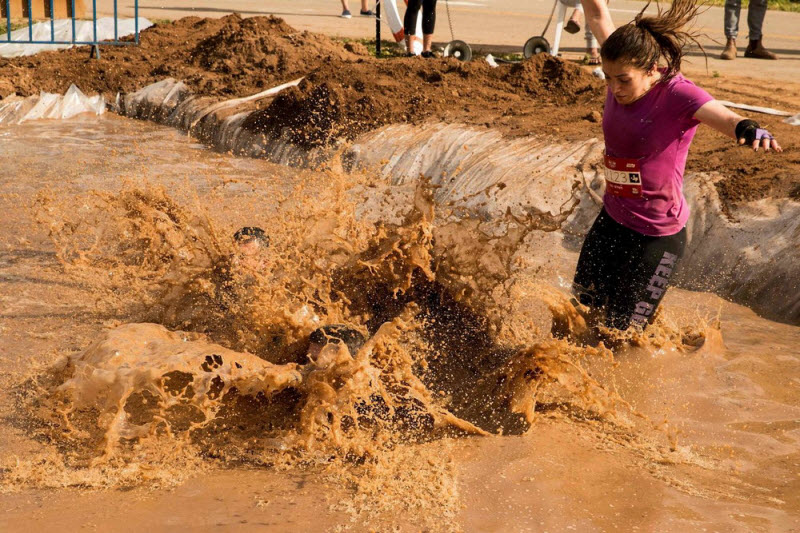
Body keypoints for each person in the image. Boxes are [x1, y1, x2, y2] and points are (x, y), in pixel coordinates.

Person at [568, 0, 782, 331]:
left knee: (623, 334)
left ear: (652, 68)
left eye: (623, 80)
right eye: (608, 79)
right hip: (611, 221)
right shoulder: (621, 60)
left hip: (656, 237)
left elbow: (724, 116)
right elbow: (597, 13)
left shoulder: (678, 93)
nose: (614, 88)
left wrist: (749, 129)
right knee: (577, 315)